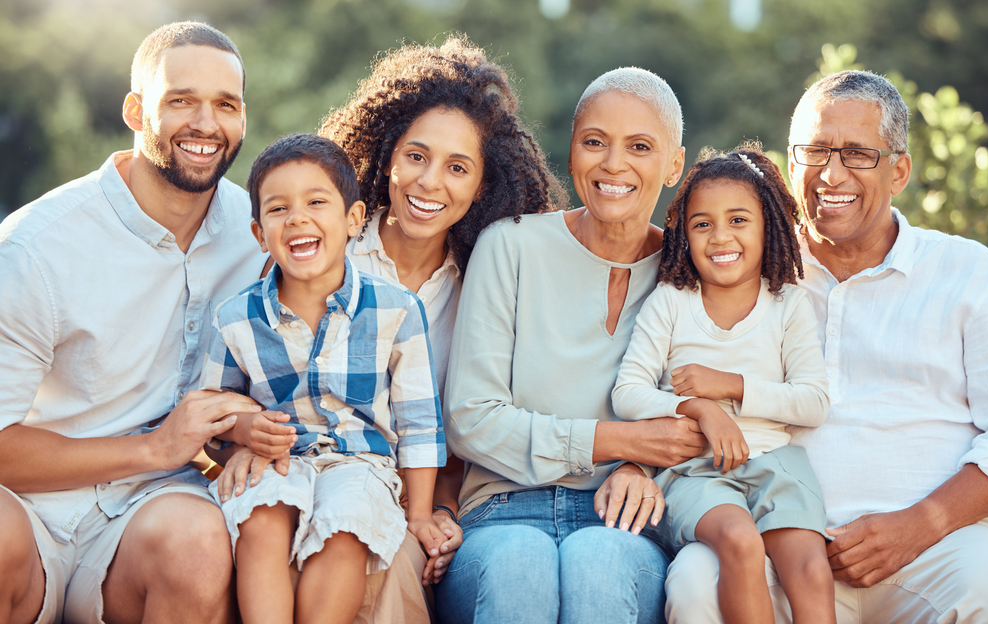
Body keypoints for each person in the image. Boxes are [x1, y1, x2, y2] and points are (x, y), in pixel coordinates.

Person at [665, 70, 988, 623]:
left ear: (900, 171)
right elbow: (668, 380)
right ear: (791, 162)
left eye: (857, 154)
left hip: (936, 552)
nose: (831, 173)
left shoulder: (970, 274)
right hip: (773, 540)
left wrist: (920, 527)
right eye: (815, 151)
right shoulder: (743, 269)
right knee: (699, 582)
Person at [0, 21, 264, 624]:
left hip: (153, 508)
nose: (205, 123)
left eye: (226, 104)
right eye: (180, 101)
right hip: (27, 507)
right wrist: (155, 447)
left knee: (199, 543)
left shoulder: (260, 232)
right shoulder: (34, 249)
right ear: (136, 111)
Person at [435, 67, 707, 624]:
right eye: (595, 143)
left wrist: (641, 466)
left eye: (640, 147)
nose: (613, 164)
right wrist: (619, 440)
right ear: (572, 151)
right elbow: (470, 420)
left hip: (628, 523)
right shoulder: (509, 247)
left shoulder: (693, 270)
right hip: (500, 516)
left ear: (674, 165)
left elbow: (699, 425)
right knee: (522, 562)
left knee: (598, 558)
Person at [316, 35, 566, 622]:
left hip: (422, 501)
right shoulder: (329, 251)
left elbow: (464, 429)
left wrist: (444, 513)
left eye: (458, 168)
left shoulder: (488, 282)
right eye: (416, 156)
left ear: (483, 184)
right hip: (319, 476)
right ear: (386, 154)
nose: (430, 183)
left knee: (405, 555)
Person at [201, 133, 446, 624]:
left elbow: (420, 425)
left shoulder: (396, 310)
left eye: (316, 202)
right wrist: (241, 436)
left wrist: (419, 514)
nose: (297, 218)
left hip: (362, 464)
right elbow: (213, 416)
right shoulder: (234, 319)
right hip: (276, 461)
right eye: (278, 209)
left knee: (347, 528)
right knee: (263, 520)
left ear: (353, 220)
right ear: (258, 233)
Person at [613, 144, 833, 624]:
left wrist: (729, 386)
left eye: (738, 220)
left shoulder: (787, 304)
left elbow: (814, 402)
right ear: (683, 236)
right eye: (702, 224)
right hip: (696, 473)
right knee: (739, 540)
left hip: (777, 465)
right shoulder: (671, 302)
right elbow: (627, 392)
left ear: (768, 226)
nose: (720, 237)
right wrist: (698, 408)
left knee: (812, 569)